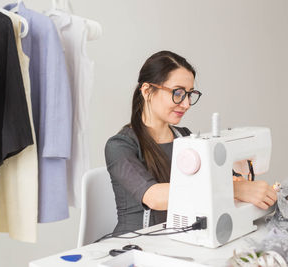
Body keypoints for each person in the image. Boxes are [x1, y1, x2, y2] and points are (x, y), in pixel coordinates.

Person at [105, 50, 277, 234]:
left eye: (190, 94)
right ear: (147, 91)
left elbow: (209, 182)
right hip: (135, 245)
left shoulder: (184, 136)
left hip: (178, 236)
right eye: (178, 93)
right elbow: (154, 197)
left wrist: (233, 180)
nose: (186, 104)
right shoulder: (119, 146)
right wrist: (233, 189)